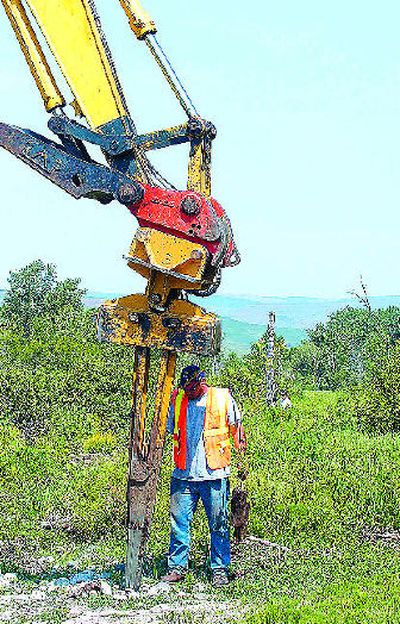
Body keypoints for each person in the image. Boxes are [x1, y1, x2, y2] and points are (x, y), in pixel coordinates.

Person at [161, 365, 246, 588]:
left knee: (219, 524)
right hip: (183, 475)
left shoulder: (221, 398)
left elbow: (237, 427)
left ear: (202, 382)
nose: (188, 391)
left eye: (191, 387)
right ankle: (177, 567)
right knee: (179, 524)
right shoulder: (178, 400)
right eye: (185, 387)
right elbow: (170, 430)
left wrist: (243, 460)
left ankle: (219, 569)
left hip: (214, 474)